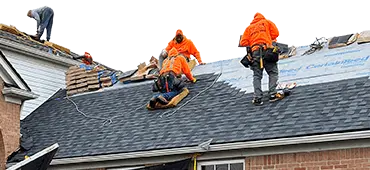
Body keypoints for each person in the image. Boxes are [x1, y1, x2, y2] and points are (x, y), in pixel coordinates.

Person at [239, 12, 280, 105]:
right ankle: (272, 94)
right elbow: (276, 33)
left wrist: (253, 41)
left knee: (257, 75)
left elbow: (243, 42)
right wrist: (268, 37)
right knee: (273, 72)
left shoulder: (249, 28)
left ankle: (257, 97)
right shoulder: (266, 22)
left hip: (255, 53)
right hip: (267, 50)